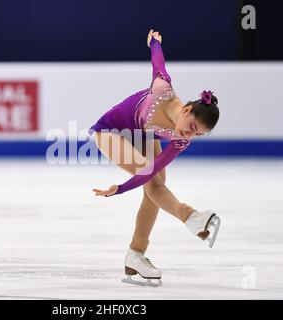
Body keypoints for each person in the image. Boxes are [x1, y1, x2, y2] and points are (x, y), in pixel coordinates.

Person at [88, 29, 221, 287]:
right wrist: (154, 42)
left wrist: (121, 188)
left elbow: (152, 172)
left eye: (198, 135)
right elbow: (157, 60)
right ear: (187, 109)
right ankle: (189, 215)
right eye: (192, 126)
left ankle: (136, 254)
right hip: (111, 130)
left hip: (143, 136)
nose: (189, 135)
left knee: (156, 182)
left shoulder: (181, 139)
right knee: (153, 183)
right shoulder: (162, 88)